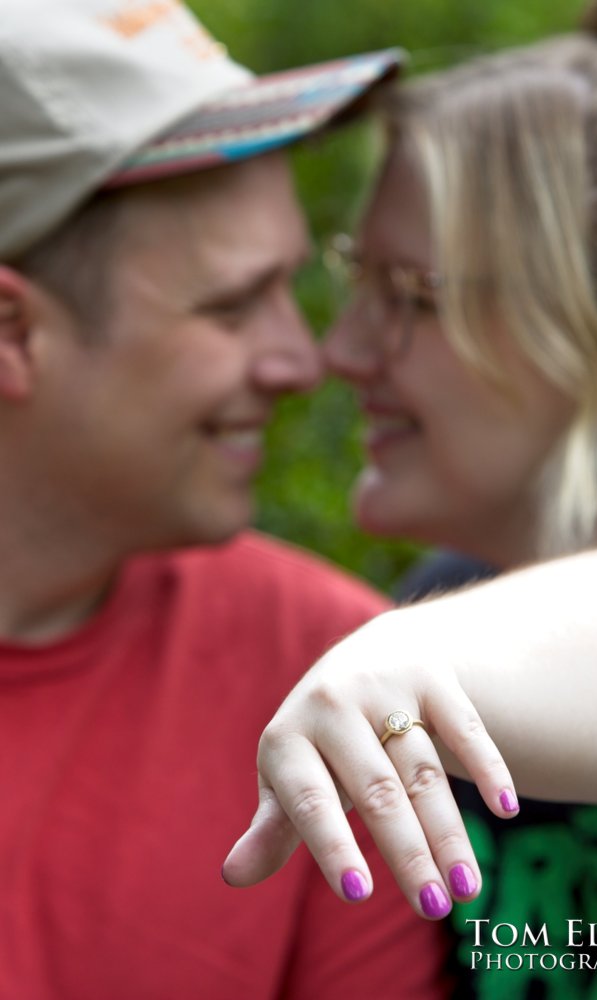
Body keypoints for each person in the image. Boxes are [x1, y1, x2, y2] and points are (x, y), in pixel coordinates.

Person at [0, 2, 450, 997]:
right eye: (233, 305)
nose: (306, 359)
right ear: (11, 332)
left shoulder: (332, 680)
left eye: (292, 287)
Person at [224, 0, 597, 995]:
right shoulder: (435, 605)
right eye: (357, 284)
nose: (336, 353)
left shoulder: (407, 660)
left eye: (411, 298)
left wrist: (403, 657)